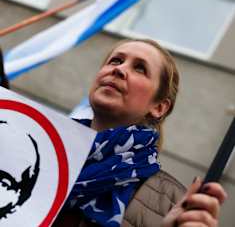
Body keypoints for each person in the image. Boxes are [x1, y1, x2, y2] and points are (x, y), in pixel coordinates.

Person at [53, 39, 227, 227]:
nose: (119, 70)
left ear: (159, 107)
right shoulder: (37, 145)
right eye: (115, 61)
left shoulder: (173, 202)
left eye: (140, 68)